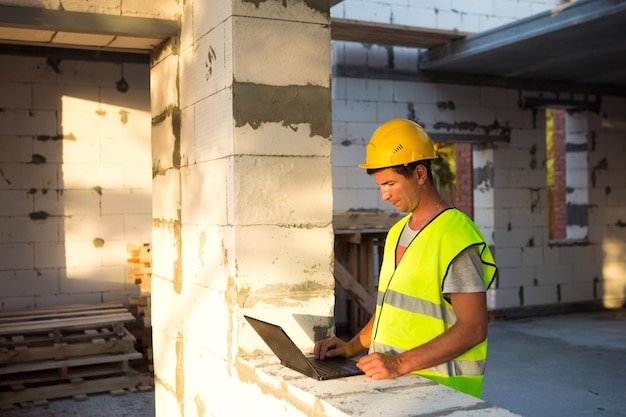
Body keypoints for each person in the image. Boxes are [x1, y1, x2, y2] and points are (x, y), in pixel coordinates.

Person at [315, 119, 497, 398]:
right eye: (380, 184)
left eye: (390, 183)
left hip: (441, 393)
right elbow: (391, 310)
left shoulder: (456, 237)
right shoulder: (397, 232)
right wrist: (352, 346)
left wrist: (398, 363)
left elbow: (473, 328)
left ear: (420, 174)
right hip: (396, 387)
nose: (384, 194)